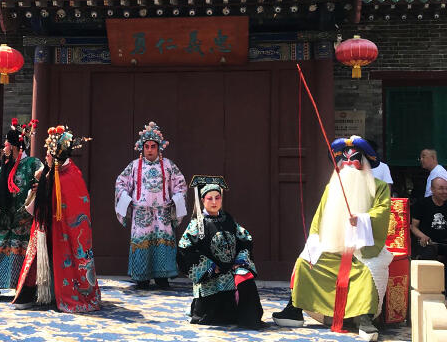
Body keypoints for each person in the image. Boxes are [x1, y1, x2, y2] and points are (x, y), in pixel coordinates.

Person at [272, 136, 392, 341]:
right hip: (333, 248)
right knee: (305, 263)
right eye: (345, 160)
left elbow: (382, 212)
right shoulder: (332, 187)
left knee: (368, 273)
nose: (349, 165)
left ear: (364, 162)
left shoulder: (378, 187)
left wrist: (361, 220)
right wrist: (314, 241)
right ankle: (295, 309)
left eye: (354, 159)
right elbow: (320, 217)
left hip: (362, 250)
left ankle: (365, 318)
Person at [12, 125, 101, 312]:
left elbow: (77, 206)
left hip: (65, 231)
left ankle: (63, 295)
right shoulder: (48, 172)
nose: (46, 156)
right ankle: (37, 293)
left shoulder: (71, 175)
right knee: (39, 257)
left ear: (56, 154)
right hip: (46, 226)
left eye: (49, 153)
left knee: (64, 258)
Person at [177, 175, 266, 329]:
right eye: (209, 198)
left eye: (217, 198)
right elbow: (185, 248)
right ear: (202, 200)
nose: (214, 202)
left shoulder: (228, 219)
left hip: (231, 272)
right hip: (210, 277)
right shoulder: (198, 224)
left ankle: (249, 317)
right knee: (211, 317)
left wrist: (240, 263)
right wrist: (210, 268)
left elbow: (245, 239)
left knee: (246, 280)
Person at [115, 121, 187, 289]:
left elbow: (181, 185)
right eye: (146, 146)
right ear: (142, 148)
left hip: (162, 212)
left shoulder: (168, 165)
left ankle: (163, 277)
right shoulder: (134, 166)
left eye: (153, 146)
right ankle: (142, 278)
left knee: (163, 241)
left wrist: (177, 198)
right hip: (141, 212)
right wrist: (126, 197)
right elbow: (121, 183)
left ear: (159, 148)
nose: (149, 150)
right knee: (142, 242)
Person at [0, 118, 42, 301]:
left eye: (5, 144)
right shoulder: (5, 166)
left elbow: (44, 179)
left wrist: (40, 186)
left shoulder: (33, 164)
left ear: (13, 146)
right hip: (4, 221)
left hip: (24, 220)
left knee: (23, 254)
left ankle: (25, 287)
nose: (3, 148)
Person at [411, 176, 447, 289]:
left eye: (446, 188)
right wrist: (423, 236)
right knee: (429, 252)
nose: (445, 191)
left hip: (444, 243)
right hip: (428, 243)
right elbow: (413, 227)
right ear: (432, 190)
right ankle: (428, 289)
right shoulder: (422, 204)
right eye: (441, 188)